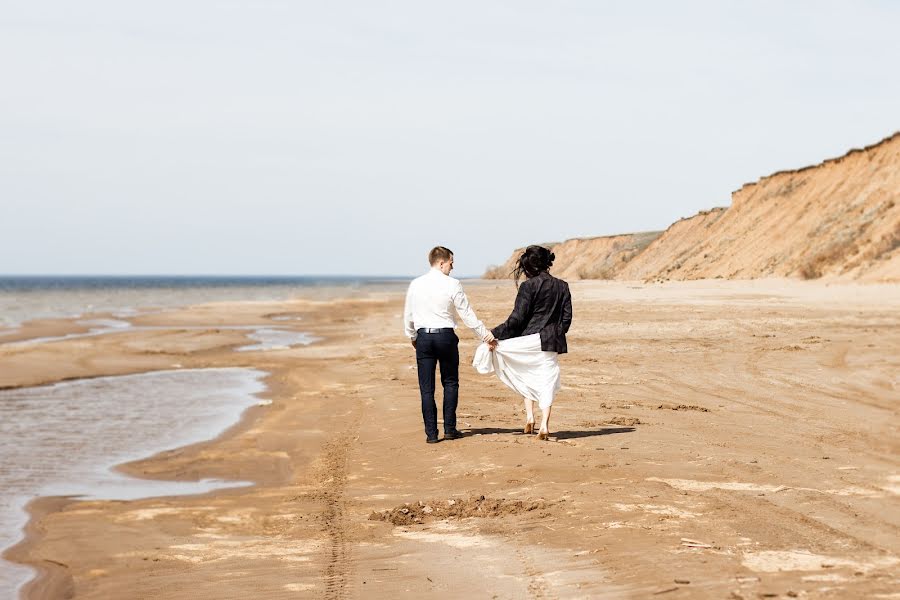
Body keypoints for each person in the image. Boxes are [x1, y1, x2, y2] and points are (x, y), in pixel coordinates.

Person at [404, 246, 496, 444]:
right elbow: (467, 314)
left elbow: (409, 315)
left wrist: (412, 336)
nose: (452, 267)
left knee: (426, 389)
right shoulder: (453, 284)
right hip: (445, 337)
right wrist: (485, 335)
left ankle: (431, 434)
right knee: (450, 383)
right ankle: (449, 429)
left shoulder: (416, 284)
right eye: (451, 263)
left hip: (424, 338)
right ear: (441, 262)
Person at [479, 245, 572, 440]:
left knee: (525, 374)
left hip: (528, 339)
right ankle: (544, 425)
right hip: (550, 340)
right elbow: (566, 319)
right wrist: (556, 331)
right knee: (546, 378)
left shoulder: (528, 286)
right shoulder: (562, 286)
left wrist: (493, 334)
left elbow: (516, 320)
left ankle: (530, 417)